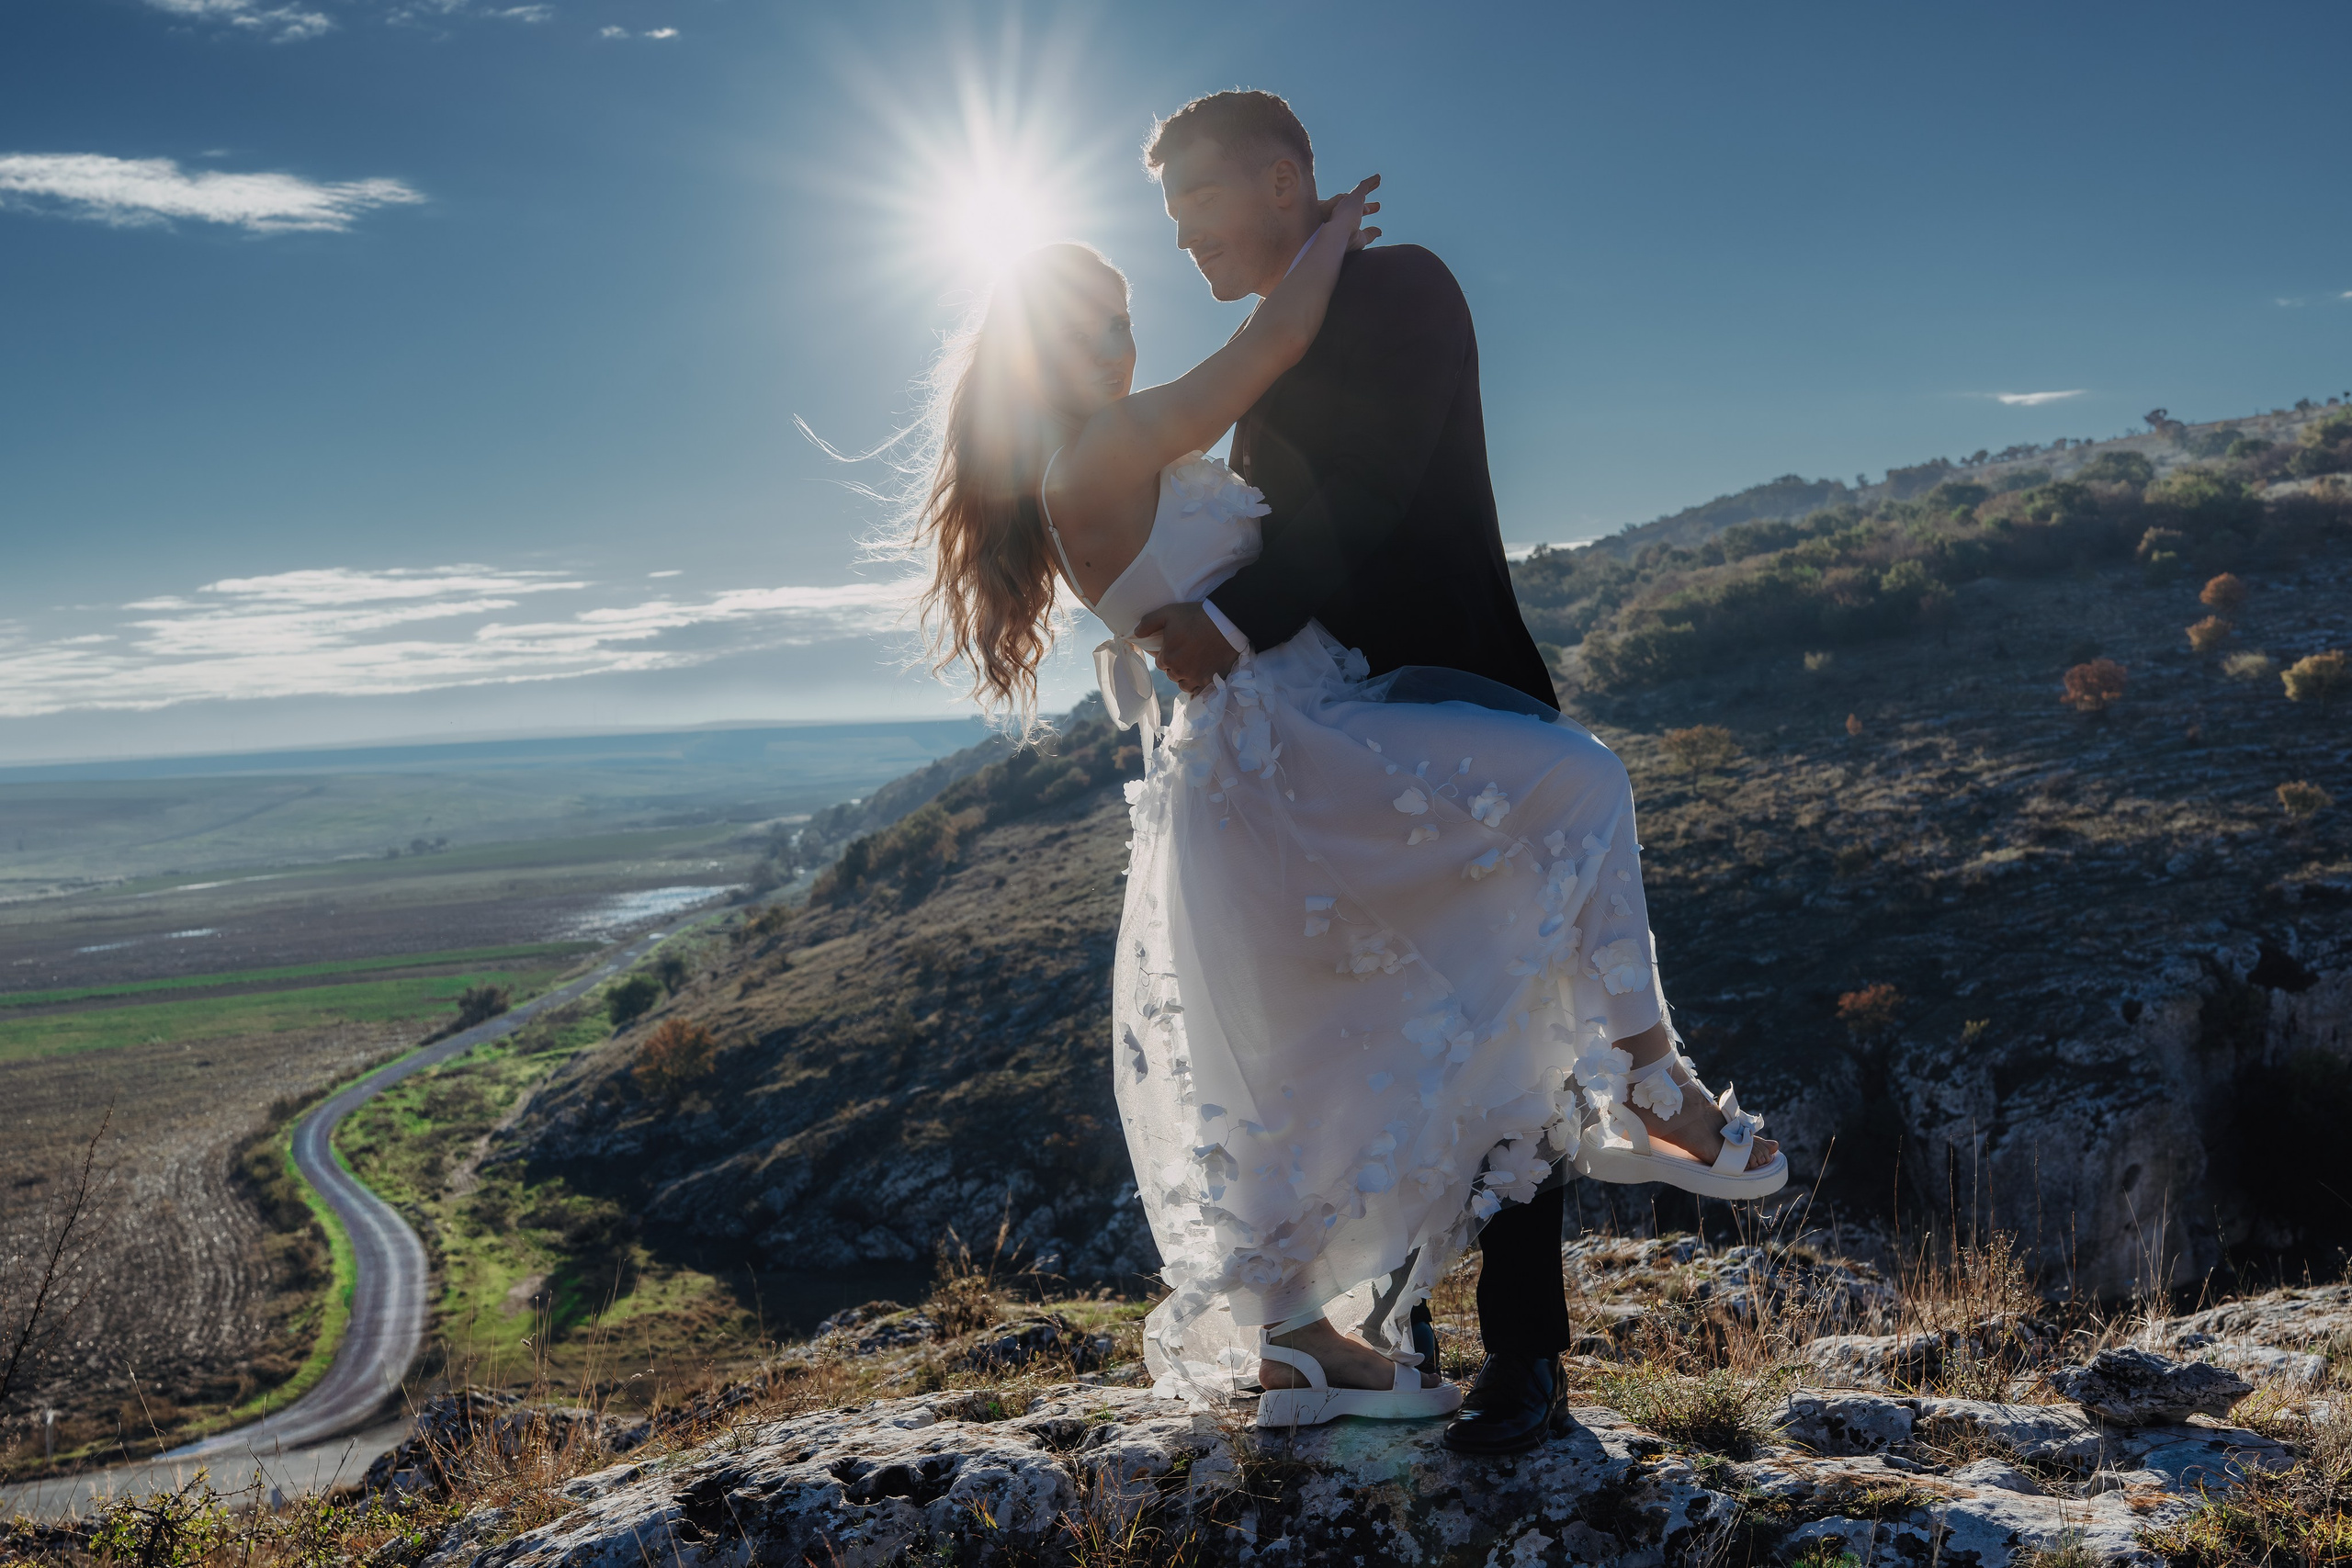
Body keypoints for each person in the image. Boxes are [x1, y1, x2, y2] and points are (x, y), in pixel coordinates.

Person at [902, 88, 1784, 1450]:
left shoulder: (1401, 292)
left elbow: (1361, 506)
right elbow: (1262, 411)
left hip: (1430, 686)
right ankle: (1380, 1323)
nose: (1174, 258)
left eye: (1192, 206)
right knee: (1366, 1044)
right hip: (1308, 734)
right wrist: (1220, 625)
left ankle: (1518, 1357)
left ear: (1275, 181)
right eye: (1132, 275)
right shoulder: (1176, 406)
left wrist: (1227, 620)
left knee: (1493, 1021)